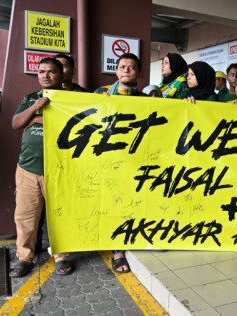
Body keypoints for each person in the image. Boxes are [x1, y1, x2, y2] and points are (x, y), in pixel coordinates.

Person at [9, 58, 73, 277]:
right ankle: (24, 258)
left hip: (60, 170)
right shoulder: (30, 98)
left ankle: (61, 256)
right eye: (42, 71)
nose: (46, 75)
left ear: (61, 74)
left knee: (61, 216)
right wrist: (35, 110)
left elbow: (74, 125)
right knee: (25, 216)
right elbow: (16, 123)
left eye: (52, 72)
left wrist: (35, 120)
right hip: (28, 169)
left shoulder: (71, 100)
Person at [94, 53, 147, 272]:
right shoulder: (100, 94)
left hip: (134, 162)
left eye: (131, 67)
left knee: (126, 204)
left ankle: (120, 247)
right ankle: (108, 246)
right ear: (116, 71)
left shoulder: (147, 99)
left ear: (139, 73)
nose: (126, 70)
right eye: (122, 66)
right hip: (106, 158)